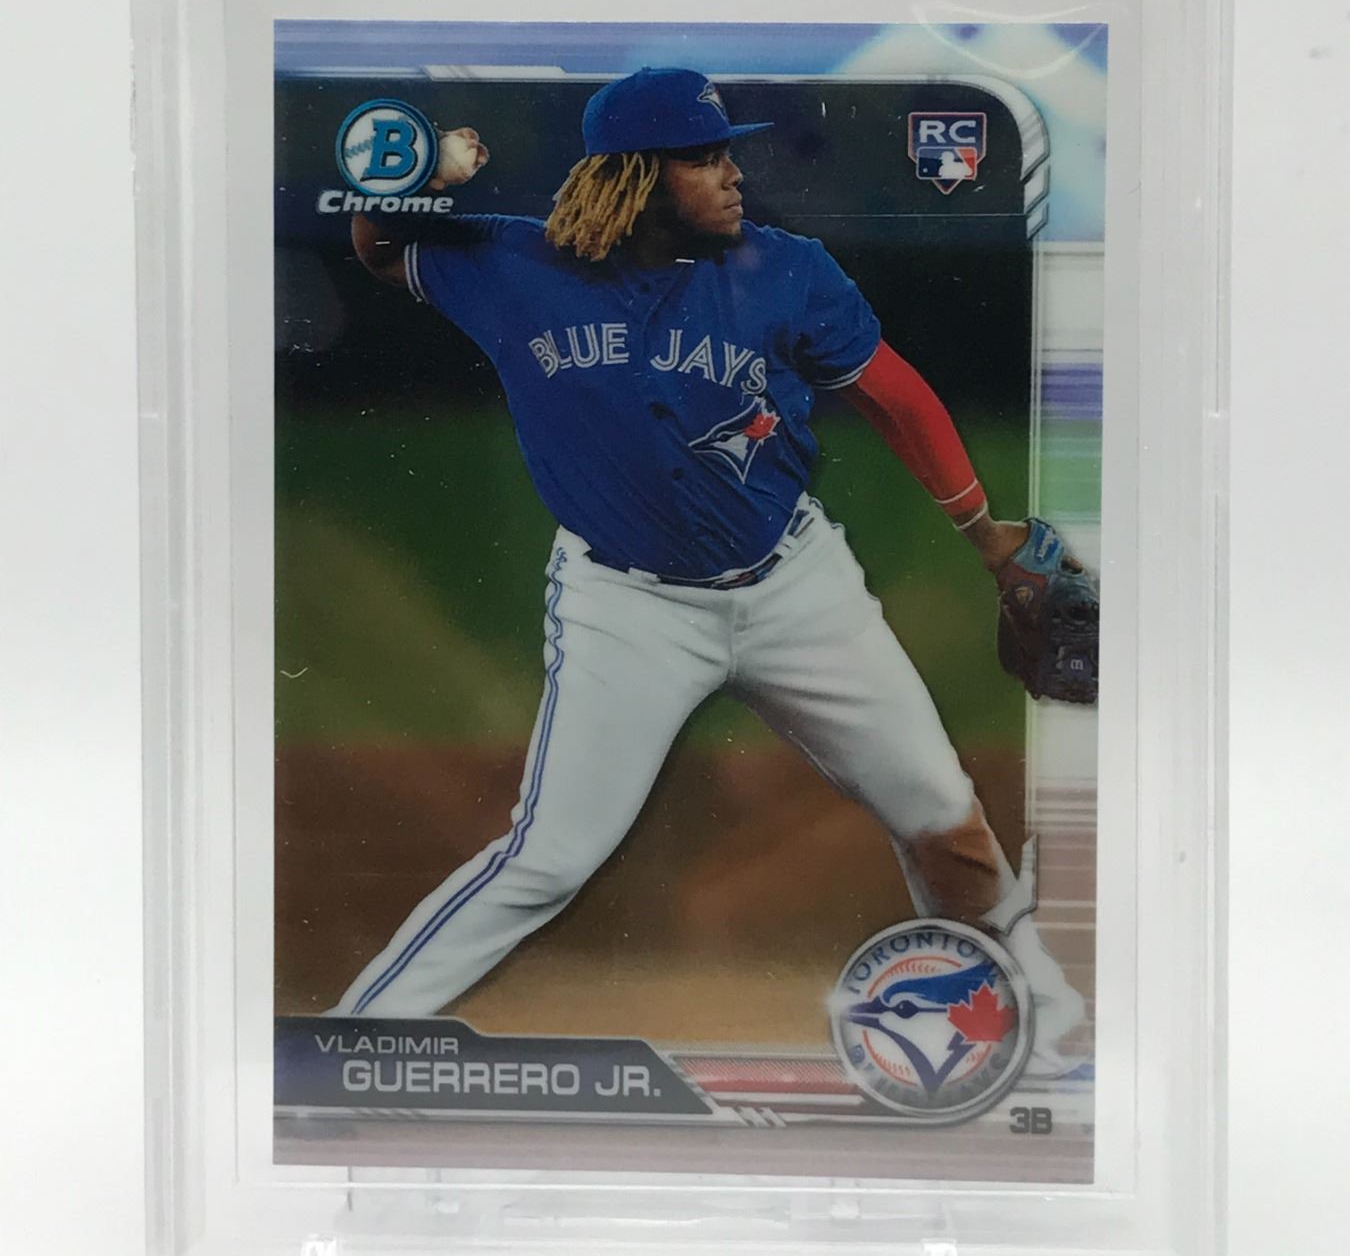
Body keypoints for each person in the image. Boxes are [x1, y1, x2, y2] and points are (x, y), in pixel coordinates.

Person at [333, 65, 1084, 1073]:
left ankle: (1033, 1018)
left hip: (794, 588)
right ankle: (355, 1038)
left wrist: (984, 532)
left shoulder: (785, 269)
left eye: (729, 153)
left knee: (945, 822)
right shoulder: (513, 263)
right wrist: (420, 176)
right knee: (549, 857)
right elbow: (382, 249)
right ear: (635, 175)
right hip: (625, 608)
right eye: (703, 157)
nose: (733, 174)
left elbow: (895, 396)